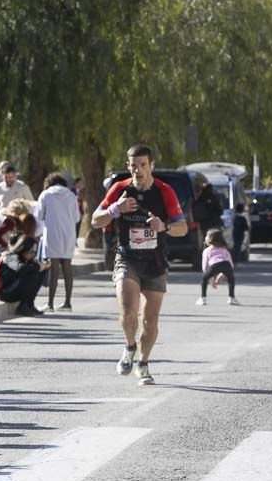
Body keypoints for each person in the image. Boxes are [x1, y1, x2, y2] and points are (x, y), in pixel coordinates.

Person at [91, 144, 188, 387]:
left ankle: (143, 364)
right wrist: (116, 209)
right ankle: (129, 346)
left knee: (150, 319)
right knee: (128, 310)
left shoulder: (165, 192)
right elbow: (94, 220)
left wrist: (163, 226)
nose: (138, 170)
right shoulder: (119, 189)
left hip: (155, 262)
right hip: (127, 258)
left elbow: (182, 228)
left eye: (143, 165)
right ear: (128, 166)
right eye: (134, 166)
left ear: (151, 165)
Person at [35, 172, 80, 310]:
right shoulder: (71, 195)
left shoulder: (46, 195)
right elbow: (77, 217)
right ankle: (67, 302)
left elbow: (39, 215)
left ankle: (50, 303)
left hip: (52, 234)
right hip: (69, 234)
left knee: (54, 269)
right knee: (67, 267)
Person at [0, 235, 46, 315]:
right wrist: (37, 266)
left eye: (35, 252)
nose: (33, 254)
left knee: (40, 272)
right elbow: (20, 268)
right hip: (6, 292)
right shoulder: (11, 256)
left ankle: (29, 304)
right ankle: (22, 306)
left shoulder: (26, 259)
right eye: (32, 251)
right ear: (24, 249)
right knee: (32, 274)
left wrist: (41, 266)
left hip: (15, 289)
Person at [197, 229, 240, 306]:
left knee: (204, 279)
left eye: (207, 236)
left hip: (214, 265)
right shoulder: (224, 249)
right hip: (226, 264)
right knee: (231, 279)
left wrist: (211, 278)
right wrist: (221, 275)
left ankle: (203, 298)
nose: (205, 237)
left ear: (211, 238)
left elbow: (205, 266)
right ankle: (231, 297)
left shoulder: (207, 250)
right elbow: (230, 262)